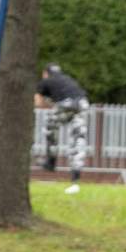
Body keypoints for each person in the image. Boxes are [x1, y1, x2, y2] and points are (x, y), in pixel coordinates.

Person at [34, 63, 89, 195]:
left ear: (45, 72)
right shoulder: (67, 79)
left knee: (49, 126)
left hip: (66, 105)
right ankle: (75, 178)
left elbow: (38, 103)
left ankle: (50, 161)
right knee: (78, 139)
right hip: (82, 104)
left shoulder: (45, 82)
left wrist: (48, 104)